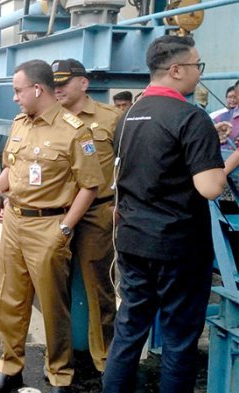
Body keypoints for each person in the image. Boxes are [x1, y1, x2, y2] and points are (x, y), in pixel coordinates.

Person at [103, 35, 226, 393]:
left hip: (133, 241)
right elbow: (211, 187)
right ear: (176, 69)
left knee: (129, 330)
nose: (198, 74)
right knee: (179, 337)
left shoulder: (127, 117)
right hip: (178, 248)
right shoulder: (191, 117)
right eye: (196, 66)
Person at [0, 59, 104, 393]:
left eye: (18, 91)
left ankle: (60, 373)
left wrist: (64, 229)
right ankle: (10, 367)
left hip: (49, 227)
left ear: (38, 88)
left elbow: (90, 186)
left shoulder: (74, 130)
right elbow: (13, 166)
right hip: (15, 222)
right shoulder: (20, 123)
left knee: (52, 306)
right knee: (10, 300)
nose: (16, 98)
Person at [52, 58, 121, 376]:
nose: (58, 88)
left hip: (97, 213)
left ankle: (105, 358)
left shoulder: (111, 119)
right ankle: (60, 360)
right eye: (55, 83)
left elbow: (129, 164)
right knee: (55, 287)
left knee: (100, 286)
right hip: (55, 213)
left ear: (83, 83)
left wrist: (121, 205)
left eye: (65, 81)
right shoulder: (48, 118)